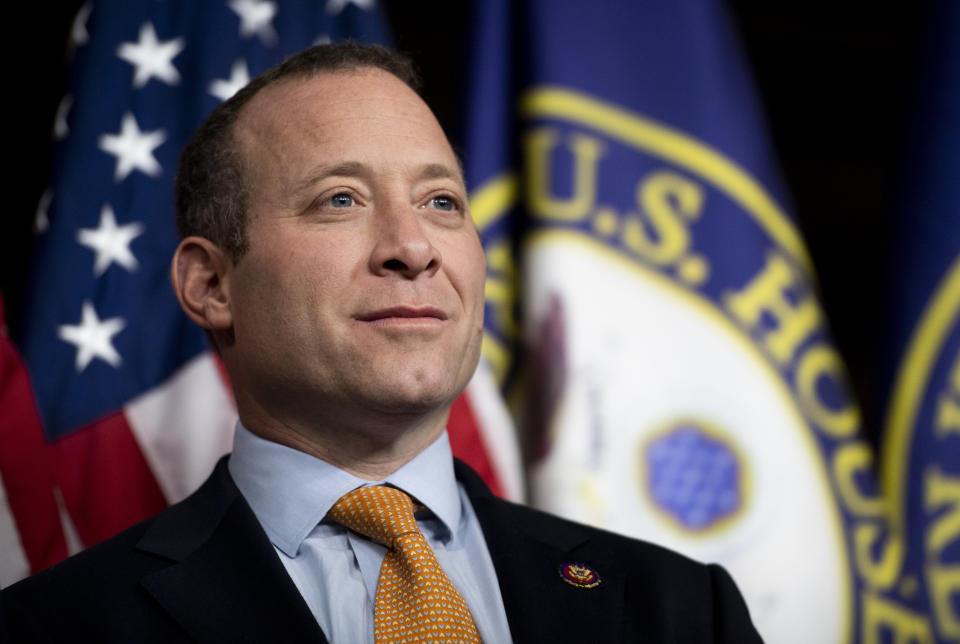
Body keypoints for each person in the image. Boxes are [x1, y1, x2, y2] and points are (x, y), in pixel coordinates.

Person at [2, 43, 763, 643]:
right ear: (212, 286)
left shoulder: (683, 610)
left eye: (441, 202)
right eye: (341, 199)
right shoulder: (50, 627)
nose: (413, 247)